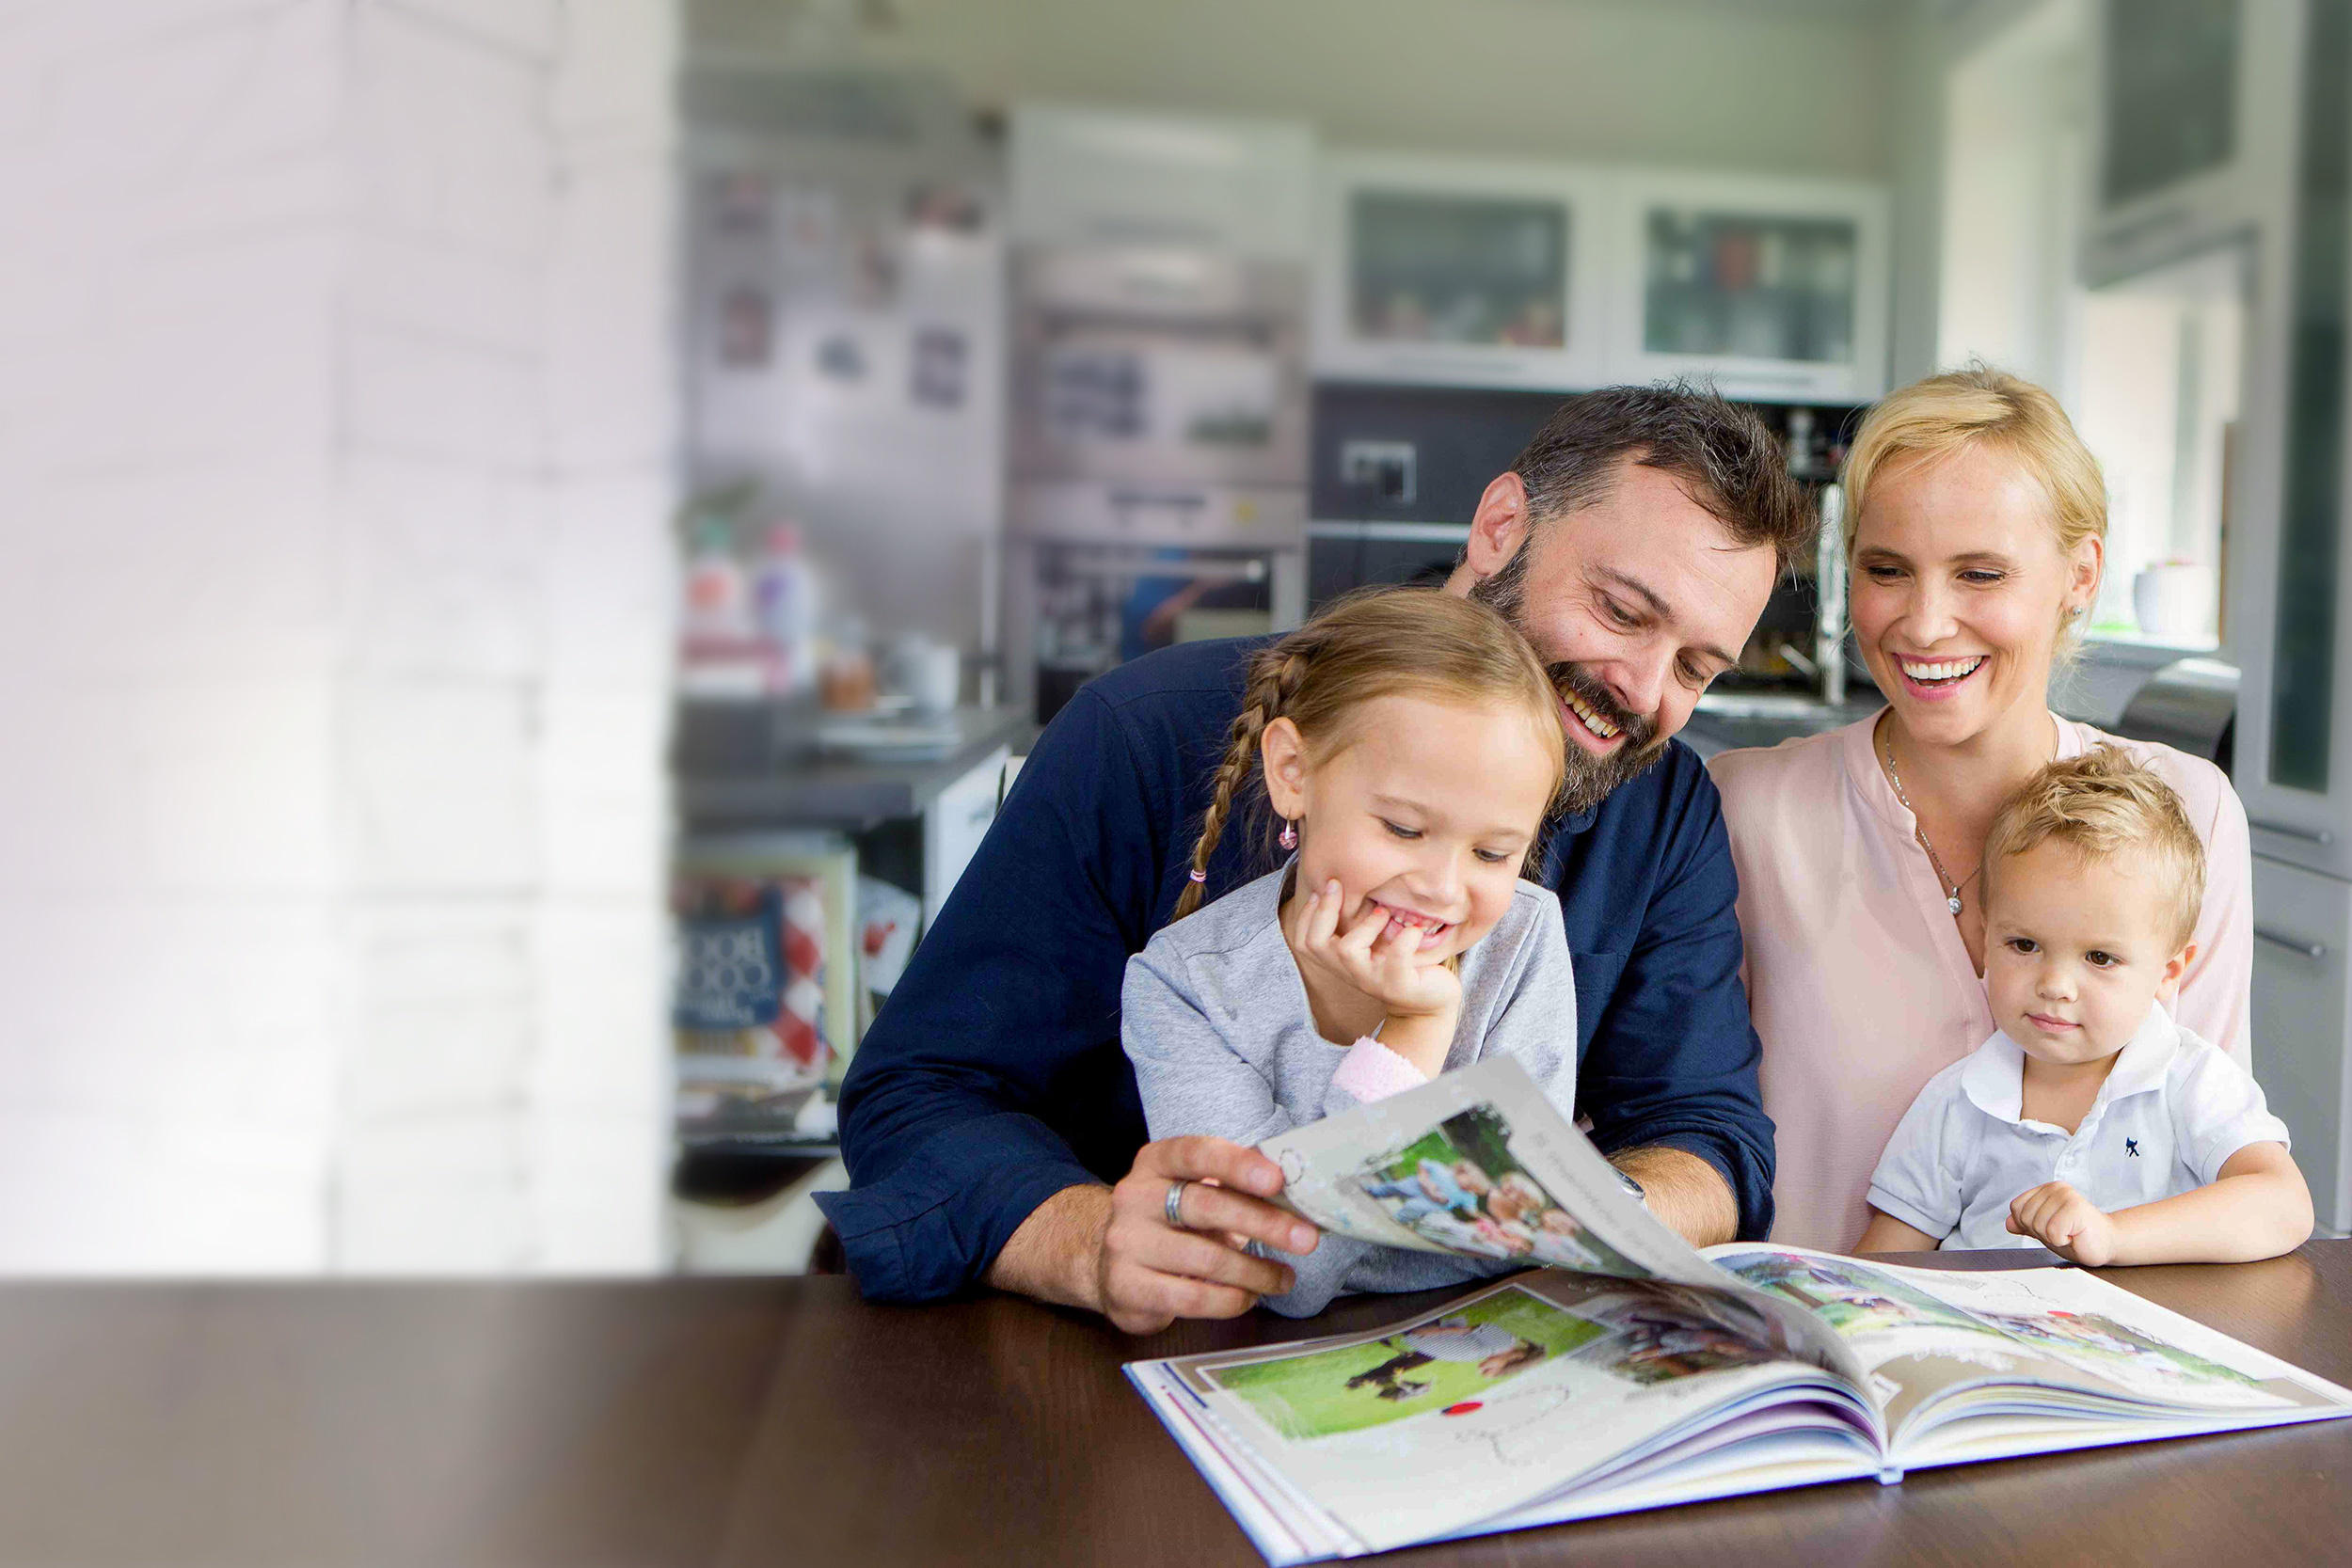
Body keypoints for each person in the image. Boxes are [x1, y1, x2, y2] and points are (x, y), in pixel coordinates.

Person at [818, 386, 1815, 1332]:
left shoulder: (1664, 807)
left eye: (1694, 667)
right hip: (1124, 1362)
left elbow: (1708, 1137)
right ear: (1501, 527)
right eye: (1622, 612)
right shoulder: (1144, 734)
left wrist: (1561, 1219)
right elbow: (922, 1091)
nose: (1642, 691)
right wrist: (1086, 1244)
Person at [1708, 366, 2255, 1252]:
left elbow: (2216, 1164)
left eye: (1980, 573)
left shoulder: (2192, 813)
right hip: (1815, 1371)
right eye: (1888, 570)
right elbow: (1683, 1133)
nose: (1924, 625)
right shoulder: (1747, 812)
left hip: (2093, 1371)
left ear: (2082, 573)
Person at [1122, 590, 1576, 1315]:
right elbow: (1283, 1272)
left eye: (1493, 852)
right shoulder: (1185, 986)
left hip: (1486, 1340)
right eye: (1401, 828)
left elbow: (1526, 1236)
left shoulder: (1523, 938)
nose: (1441, 887)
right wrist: (1412, 1034)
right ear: (1294, 774)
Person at [1859, 750, 2310, 1263]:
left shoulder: (2190, 1081)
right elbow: (1879, 1267)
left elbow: (2285, 1205)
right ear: (1986, 937)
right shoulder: (1957, 1102)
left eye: (2100, 957)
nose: (2055, 985)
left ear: (2168, 972)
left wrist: (2113, 1237)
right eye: (2024, 945)